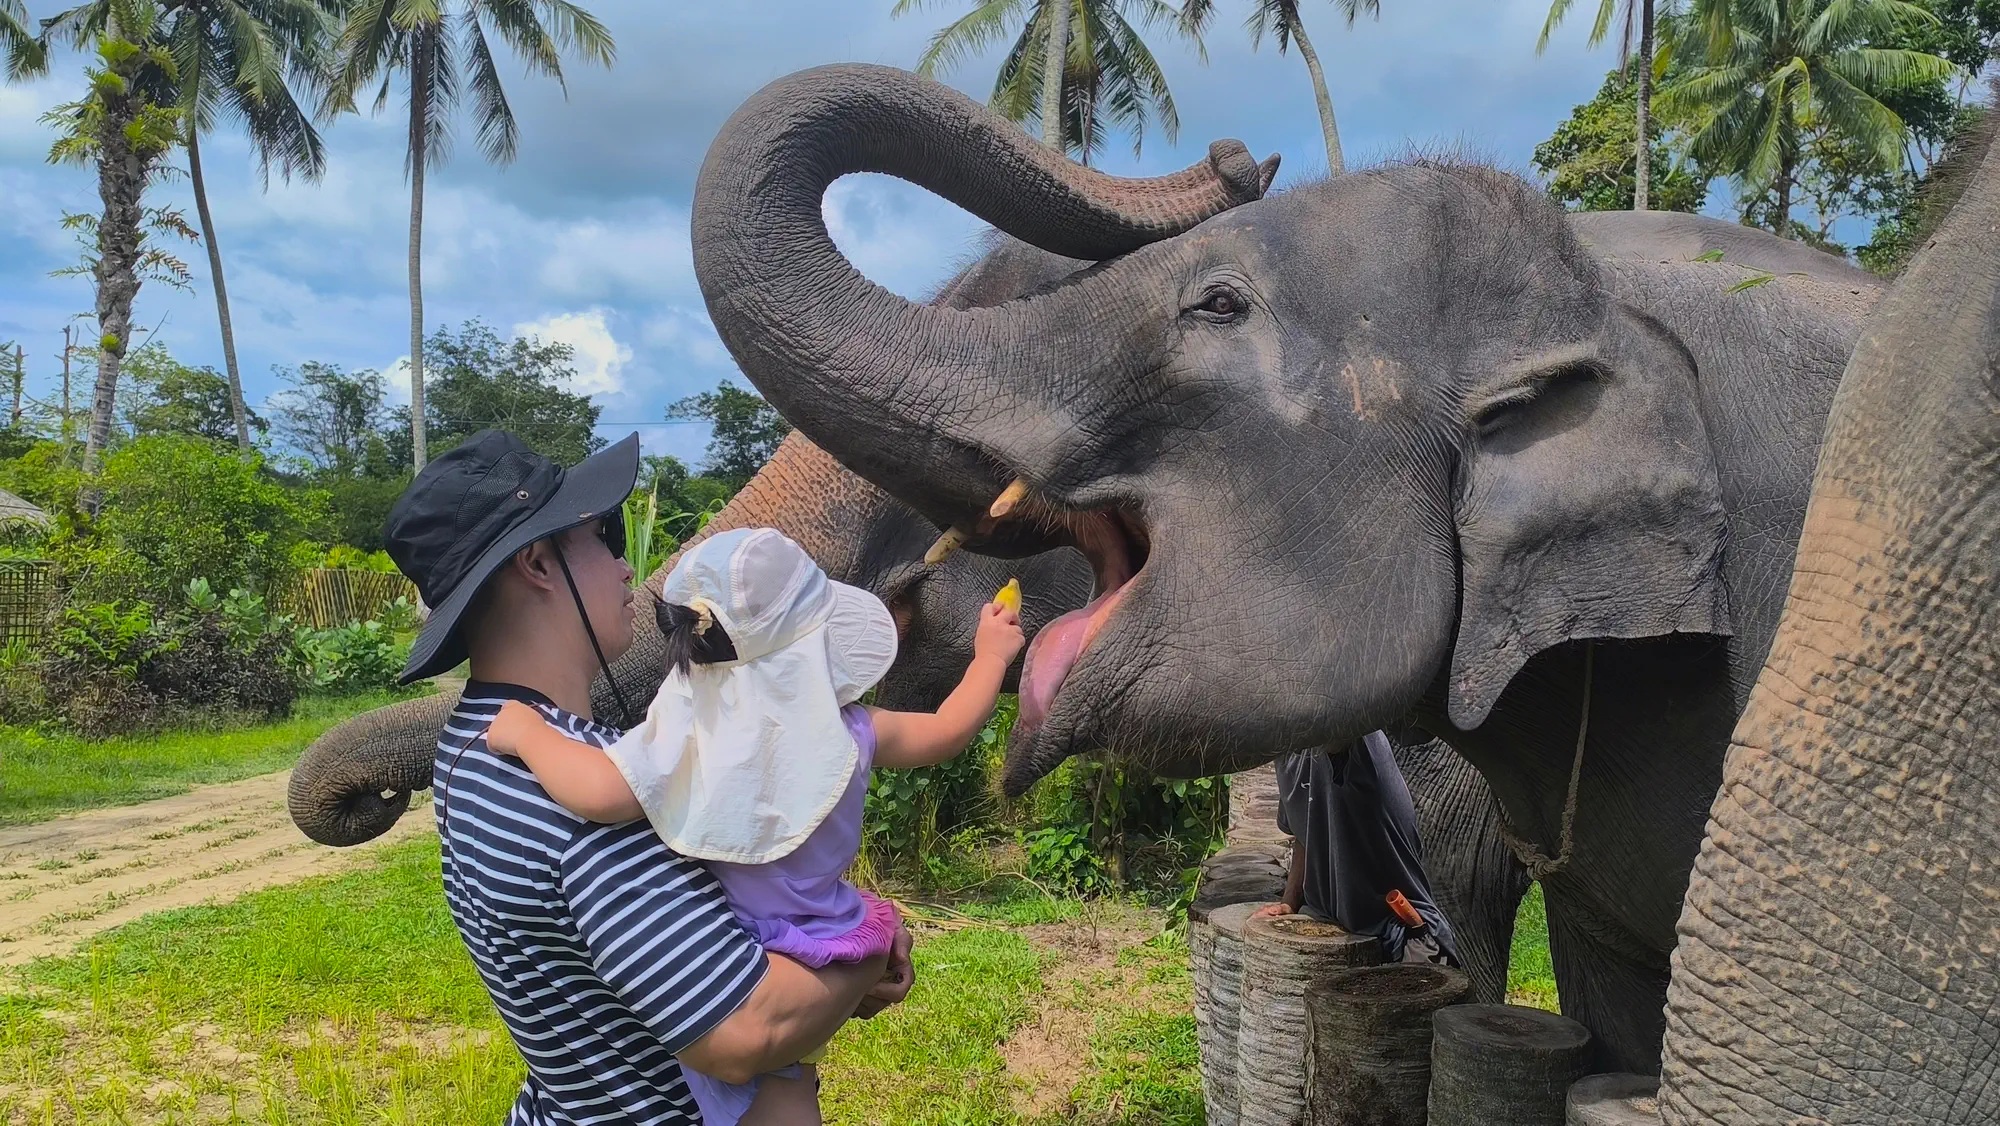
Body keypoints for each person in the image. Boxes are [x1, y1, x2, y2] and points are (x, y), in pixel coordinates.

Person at [384, 430, 913, 1126]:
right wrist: (871, 944)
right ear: (538, 564)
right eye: (602, 537)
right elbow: (745, 1031)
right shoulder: (590, 798)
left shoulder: (470, 745)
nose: (626, 567)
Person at [484, 527, 1025, 1125]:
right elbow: (948, 731)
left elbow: (597, 792)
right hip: (826, 932)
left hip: (735, 949)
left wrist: (528, 733)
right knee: (789, 1090)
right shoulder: (855, 730)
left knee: (762, 1091)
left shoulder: (689, 736)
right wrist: (989, 658)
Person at [1251, 733, 1461, 967]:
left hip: (1399, 938)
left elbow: (1335, 731)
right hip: (1330, 930)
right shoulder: (1286, 755)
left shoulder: (1358, 740)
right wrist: (1291, 899)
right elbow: (1303, 834)